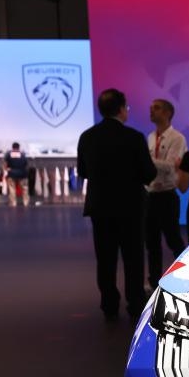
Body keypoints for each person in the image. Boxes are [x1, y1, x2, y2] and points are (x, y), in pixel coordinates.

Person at [77, 88, 157, 322]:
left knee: (105, 257)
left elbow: (83, 171)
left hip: (100, 208)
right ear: (121, 109)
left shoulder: (87, 137)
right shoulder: (134, 137)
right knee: (133, 257)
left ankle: (109, 303)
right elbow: (148, 173)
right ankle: (135, 302)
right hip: (131, 208)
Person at [144, 98, 187, 290]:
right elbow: (166, 165)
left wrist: (145, 159)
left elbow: (171, 167)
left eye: (157, 108)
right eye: (151, 108)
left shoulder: (177, 138)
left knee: (173, 239)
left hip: (167, 196)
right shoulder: (150, 137)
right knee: (151, 242)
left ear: (168, 113)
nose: (152, 110)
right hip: (150, 195)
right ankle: (154, 282)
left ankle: (184, 277)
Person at [2, 142, 30, 207]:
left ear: (12, 147)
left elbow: (4, 163)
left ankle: (13, 203)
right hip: (22, 173)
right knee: (25, 189)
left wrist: (6, 169)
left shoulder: (8, 154)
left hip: (12, 173)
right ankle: (26, 203)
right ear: (19, 147)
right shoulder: (23, 154)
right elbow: (26, 164)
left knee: (12, 189)